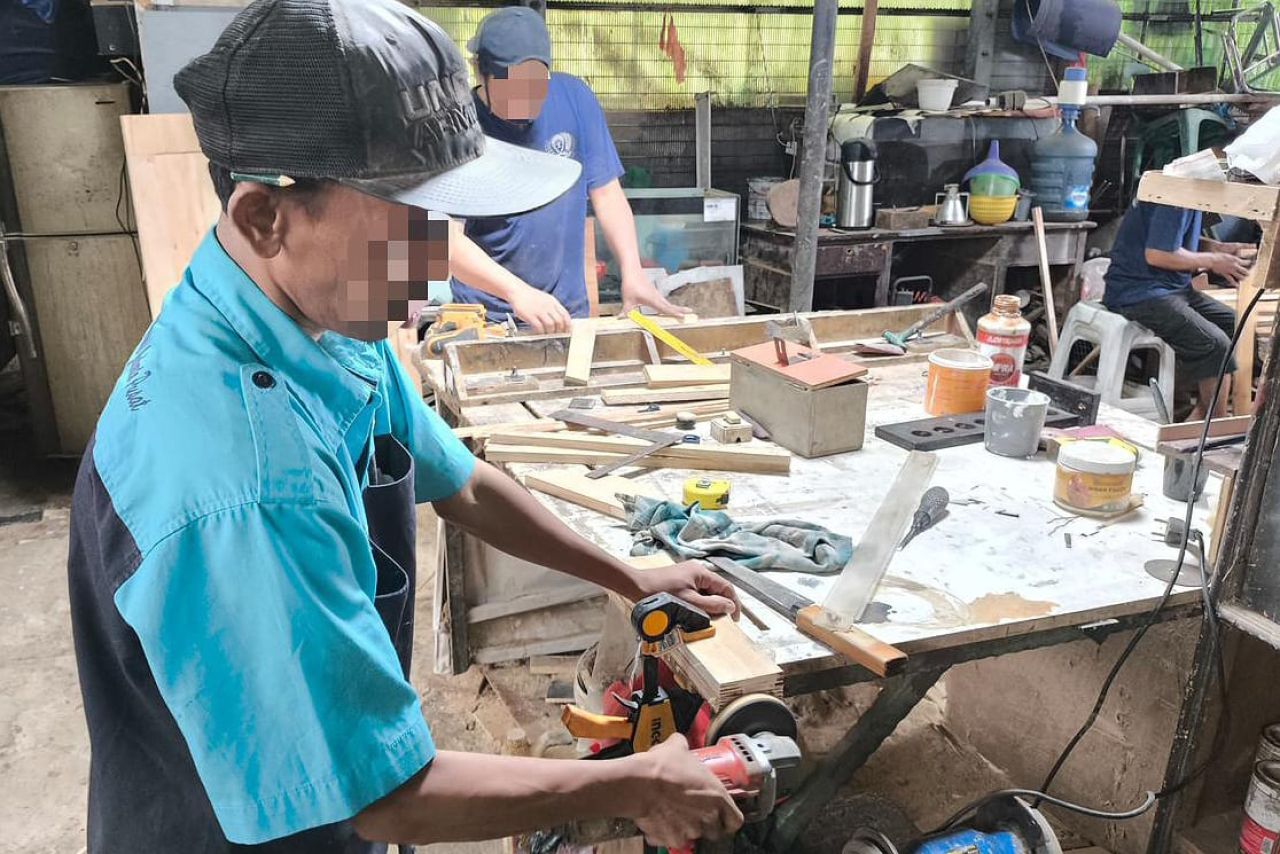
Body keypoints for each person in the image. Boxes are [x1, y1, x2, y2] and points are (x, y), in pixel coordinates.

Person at [66, 2, 743, 851]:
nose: (432, 273)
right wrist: (635, 781)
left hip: (329, 794)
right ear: (263, 218)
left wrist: (625, 573)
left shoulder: (316, 324)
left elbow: (457, 479)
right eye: (406, 227)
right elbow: (389, 795)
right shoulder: (239, 480)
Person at [447, 6, 687, 332]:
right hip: (487, 319)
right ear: (481, 74)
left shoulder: (575, 99)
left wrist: (632, 272)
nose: (526, 101)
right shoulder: (455, 128)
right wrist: (517, 293)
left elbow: (607, 194)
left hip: (566, 315)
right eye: (511, 88)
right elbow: (445, 241)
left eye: (535, 85)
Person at [1103, 199, 1256, 418]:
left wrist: (1216, 248)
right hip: (1139, 292)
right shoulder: (1172, 198)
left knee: (1239, 326)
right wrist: (1213, 260)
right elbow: (1157, 253)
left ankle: (1202, 412)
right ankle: (1215, 424)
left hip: (1174, 289)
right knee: (1215, 344)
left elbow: (1172, 239)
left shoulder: (1186, 193)